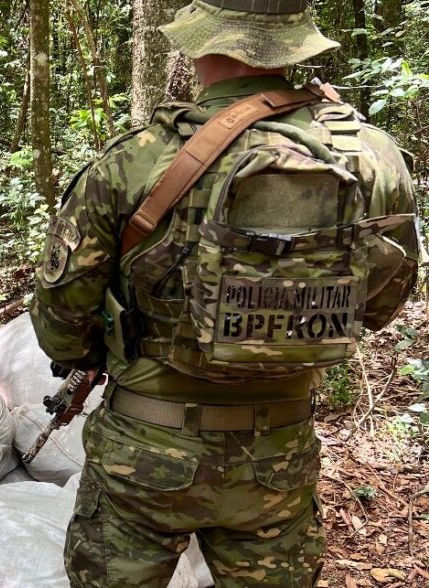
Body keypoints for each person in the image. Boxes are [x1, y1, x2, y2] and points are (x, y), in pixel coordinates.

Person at [30, 1, 424, 586]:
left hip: (143, 453)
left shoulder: (135, 161)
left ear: (202, 42)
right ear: (293, 46)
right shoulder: (371, 156)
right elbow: (381, 303)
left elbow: (61, 321)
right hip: (277, 455)